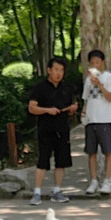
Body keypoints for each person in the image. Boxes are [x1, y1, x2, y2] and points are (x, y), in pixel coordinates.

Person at [28, 57, 79, 205]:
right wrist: (47, 110)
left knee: (61, 162)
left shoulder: (66, 88)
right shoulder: (40, 87)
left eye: (61, 70)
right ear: (49, 70)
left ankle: (57, 191)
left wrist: (72, 109)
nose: (59, 73)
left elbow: (70, 110)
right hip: (45, 129)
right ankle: (37, 192)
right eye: (56, 70)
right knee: (43, 161)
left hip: (62, 129)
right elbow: (32, 108)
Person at [82, 49, 111, 195]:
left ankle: (107, 181)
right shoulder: (87, 80)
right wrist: (84, 114)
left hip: (105, 119)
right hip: (91, 120)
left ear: (103, 62)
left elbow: (110, 98)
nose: (95, 65)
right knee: (91, 152)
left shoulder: (109, 77)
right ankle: (93, 181)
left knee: (107, 151)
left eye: (97, 62)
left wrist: (99, 84)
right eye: (92, 63)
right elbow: (86, 99)